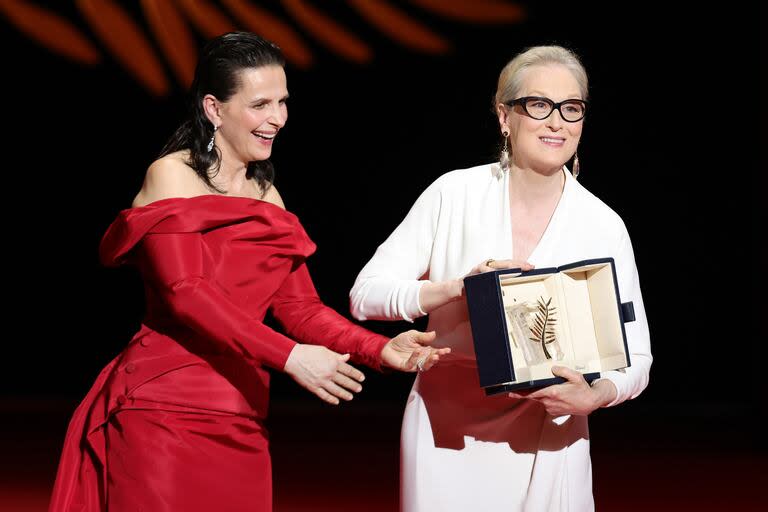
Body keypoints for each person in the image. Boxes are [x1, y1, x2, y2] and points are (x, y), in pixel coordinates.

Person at [48, 32, 448, 512]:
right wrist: (291, 357)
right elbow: (186, 293)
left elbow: (300, 308)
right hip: (162, 408)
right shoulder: (172, 175)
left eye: (282, 102)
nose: (277, 118)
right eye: (260, 104)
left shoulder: (268, 198)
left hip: (241, 414)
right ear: (214, 109)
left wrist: (379, 349)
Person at [350, 45, 652, 511]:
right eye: (538, 104)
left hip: (551, 437)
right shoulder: (455, 194)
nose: (556, 122)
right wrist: (455, 289)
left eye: (571, 109)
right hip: (445, 434)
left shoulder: (602, 224)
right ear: (503, 115)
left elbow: (636, 357)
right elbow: (365, 294)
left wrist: (594, 395)